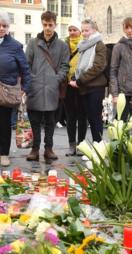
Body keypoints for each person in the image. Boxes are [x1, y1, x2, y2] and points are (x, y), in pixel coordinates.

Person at [25, 11, 69, 161]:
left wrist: (56, 79)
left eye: (50, 25)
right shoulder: (33, 43)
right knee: (35, 120)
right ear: (42, 24)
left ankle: (48, 148)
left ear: (55, 24)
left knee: (51, 120)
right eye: (45, 25)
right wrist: (33, 79)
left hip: (52, 88)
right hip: (35, 87)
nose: (48, 28)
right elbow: (27, 65)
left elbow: (65, 66)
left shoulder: (62, 46)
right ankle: (35, 148)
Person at [0, 10, 31, 166]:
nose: (1, 28)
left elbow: (25, 69)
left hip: (6, 91)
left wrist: (25, 87)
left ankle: (4, 154)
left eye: (4, 25)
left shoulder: (15, 45)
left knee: (4, 123)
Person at [69, 19, 107, 143]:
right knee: (89, 119)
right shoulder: (83, 45)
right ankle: (91, 148)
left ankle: (99, 148)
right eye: (83, 30)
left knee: (95, 120)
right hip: (85, 87)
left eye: (87, 30)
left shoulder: (99, 44)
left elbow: (98, 67)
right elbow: (80, 66)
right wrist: (75, 77)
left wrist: (79, 81)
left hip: (95, 88)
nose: (84, 33)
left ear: (94, 30)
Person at [64, 20, 87, 156]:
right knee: (70, 116)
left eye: (75, 29)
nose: (72, 32)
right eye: (70, 30)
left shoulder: (85, 44)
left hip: (82, 84)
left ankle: (82, 145)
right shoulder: (64, 45)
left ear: (80, 31)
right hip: (67, 85)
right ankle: (71, 144)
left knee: (82, 116)